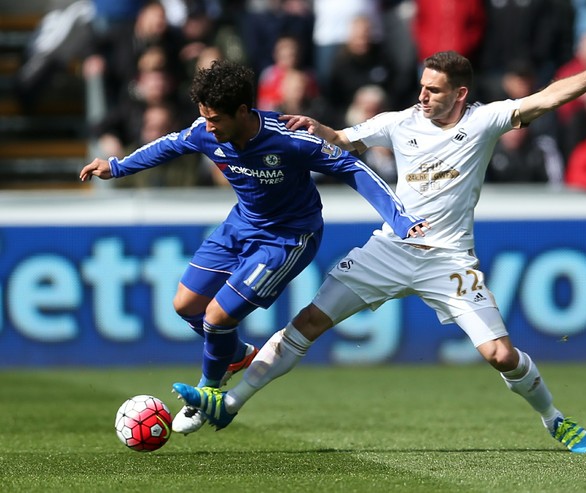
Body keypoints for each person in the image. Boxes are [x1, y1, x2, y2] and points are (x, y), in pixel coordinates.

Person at [172, 48, 586, 453]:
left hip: (450, 260)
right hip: (389, 250)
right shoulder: (399, 123)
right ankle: (229, 404)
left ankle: (554, 419)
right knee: (309, 323)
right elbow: (342, 142)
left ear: (459, 93)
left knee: (501, 355)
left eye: (434, 90)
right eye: (422, 86)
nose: (422, 95)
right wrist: (320, 127)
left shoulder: (484, 120)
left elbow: (548, 97)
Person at [79, 60, 426, 434]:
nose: (208, 127)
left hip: (288, 238)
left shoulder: (290, 138)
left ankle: (207, 391)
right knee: (185, 305)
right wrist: (116, 167)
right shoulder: (206, 132)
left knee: (216, 317)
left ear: (243, 111)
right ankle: (235, 355)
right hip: (240, 225)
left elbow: (353, 169)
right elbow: (168, 146)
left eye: (215, 119)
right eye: (204, 118)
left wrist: (401, 220)